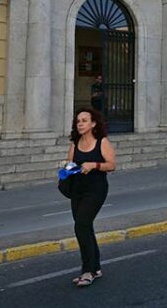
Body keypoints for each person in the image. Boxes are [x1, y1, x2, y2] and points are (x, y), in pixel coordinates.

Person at [67, 107, 117, 287]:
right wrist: (64, 172)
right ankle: (95, 268)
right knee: (85, 227)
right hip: (77, 190)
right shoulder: (75, 143)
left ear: (93, 123)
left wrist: (94, 165)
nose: (80, 124)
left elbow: (111, 165)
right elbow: (70, 165)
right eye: (78, 121)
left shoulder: (101, 142)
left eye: (84, 120)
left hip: (96, 189)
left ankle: (87, 271)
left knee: (81, 226)